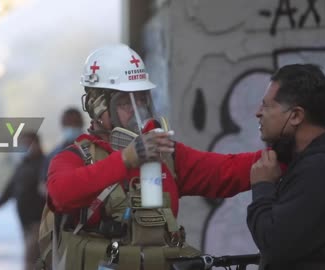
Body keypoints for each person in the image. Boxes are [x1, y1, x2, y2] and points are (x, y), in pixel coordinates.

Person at [43, 44, 264, 270]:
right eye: (125, 102)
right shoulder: (75, 157)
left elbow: (224, 171)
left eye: (142, 100)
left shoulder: (164, 155)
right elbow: (60, 194)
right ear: (97, 106)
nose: (137, 111)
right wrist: (125, 160)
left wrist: (281, 156)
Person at [247, 64, 325, 270]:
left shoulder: (320, 170)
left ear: (296, 116)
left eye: (266, 106)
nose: (258, 113)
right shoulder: (324, 162)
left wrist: (262, 186)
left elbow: (273, 243)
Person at [0, 131, 46, 270]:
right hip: (25, 222)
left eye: (27, 144)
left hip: (38, 222)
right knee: (32, 258)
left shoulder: (45, 164)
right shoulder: (23, 165)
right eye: (22, 144)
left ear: (37, 144)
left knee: (32, 259)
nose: (24, 148)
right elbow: (10, 188)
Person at [40, 107, 84, 183]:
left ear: (82, 124)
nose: (72, 126)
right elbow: (44, 180)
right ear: (62, 124)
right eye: (68, 123)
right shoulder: (53, 154)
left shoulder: (92, 148)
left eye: (76, 123)